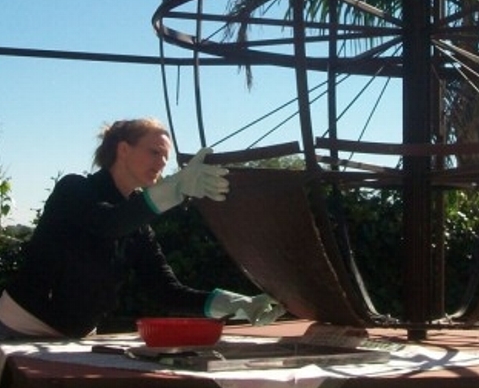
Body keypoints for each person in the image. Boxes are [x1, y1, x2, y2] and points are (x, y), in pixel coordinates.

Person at [0, 118, 285, 339]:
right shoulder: (74, 189)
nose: (162, 163)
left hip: (77, 340)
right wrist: (175, 188)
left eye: (165, 158)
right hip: (22, 329)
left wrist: (237, 305)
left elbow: (165, 291)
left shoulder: (138, 225)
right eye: (154, 152)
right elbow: (109, 223)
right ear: (123, 150)